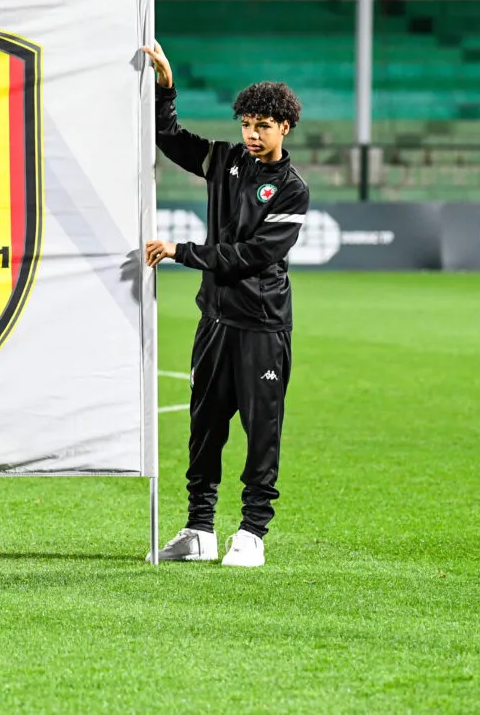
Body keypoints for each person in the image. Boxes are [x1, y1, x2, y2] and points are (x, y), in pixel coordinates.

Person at [141, 42, 309, 568]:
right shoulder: (225, 160)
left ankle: (252, 532)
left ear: (285, 128)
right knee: (204, 427)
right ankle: (199, 529)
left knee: (261, 431)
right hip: (214, 321)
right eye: (247, 124)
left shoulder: (292, 190)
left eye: (263, 126)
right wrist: (166, 87)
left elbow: (254, 256)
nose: (252, 134)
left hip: (261, 326)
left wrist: (182, 251)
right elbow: (169, 137)